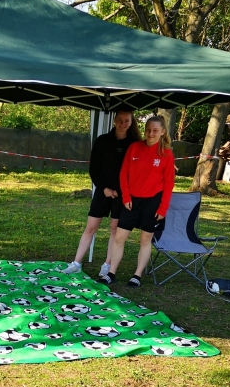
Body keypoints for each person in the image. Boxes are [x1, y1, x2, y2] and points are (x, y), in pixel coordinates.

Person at [99, 114, 176, 287]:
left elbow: (169, 183)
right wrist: (126, 197)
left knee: (145, 239)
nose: (150, 134)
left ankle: (137, 275)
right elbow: (123, 174)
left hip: (152, 202)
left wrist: (163, 208)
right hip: (132, 200)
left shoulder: (166, 154)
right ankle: (111, 273)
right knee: (119, 237)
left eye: (155, 130)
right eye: (148, 130)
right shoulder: (134, 148)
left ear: (162, 132)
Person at [63, 107, 141, 275]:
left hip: (123, 194)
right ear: (114, 120)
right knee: (90, 227)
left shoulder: (135, 144)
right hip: (102, 191)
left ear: (131, 122)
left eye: (127, 121)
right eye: (120, 120)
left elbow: (138, 170)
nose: (123, 124)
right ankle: (76, 263)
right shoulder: (102, 140)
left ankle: (107, 265)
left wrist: (120, 190)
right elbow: (94, 169)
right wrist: (104, 188)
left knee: (114, 230)